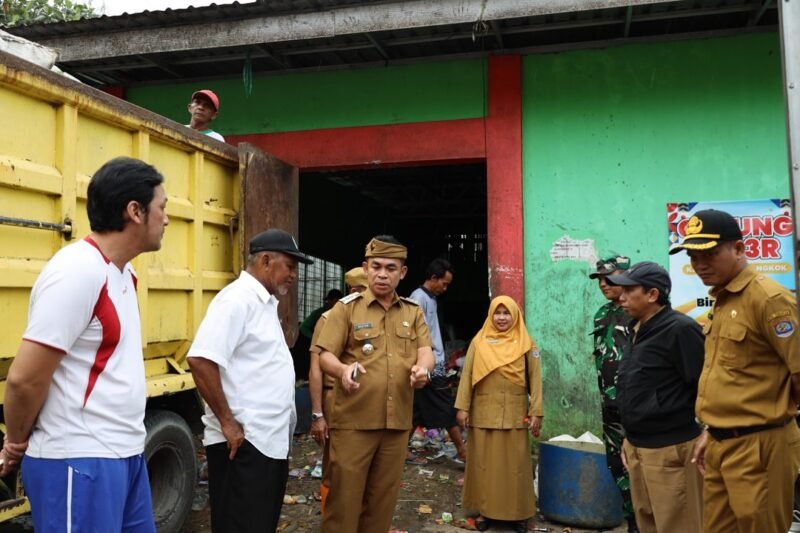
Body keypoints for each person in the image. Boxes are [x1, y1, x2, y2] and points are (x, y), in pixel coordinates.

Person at [1, 157, 169, 532]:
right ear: (135, 211)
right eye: (162, 207)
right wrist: (14, 443)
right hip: (78, 458)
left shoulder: (125, 274)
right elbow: (24, 379)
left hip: (124, 453)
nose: (167, 219)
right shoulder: (77, 271)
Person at [677, 209, 800, 533]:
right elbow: (730, 378)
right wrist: (713, 429)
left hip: (760, 446)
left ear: (740, 249)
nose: (700, 264)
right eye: (693, 255)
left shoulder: (769, 298)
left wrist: (772, 424)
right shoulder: (724, 299)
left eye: (710, 253)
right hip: (719, 442)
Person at [187, 228, 313, 533]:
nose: (294, 275)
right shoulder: (236, 301)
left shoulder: (263, 303)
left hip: (266, 442)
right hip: (243, 444)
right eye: (290, 266)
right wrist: (228, 423)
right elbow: (201, 360)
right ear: (266, 260)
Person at [317, 235, 434, 533]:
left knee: (382, 504)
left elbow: (425, 352)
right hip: (354, 423)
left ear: (402, 273)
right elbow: (325, 355)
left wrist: (423, 370)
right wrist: (343, 369)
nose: (383, 274)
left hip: (396, 426)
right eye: (377, 266)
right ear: (365, 268)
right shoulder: (346, 309)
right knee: (344, 503)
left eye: (391, 268)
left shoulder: (413, 311)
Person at [607, 261, 704, 533]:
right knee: (647, 522)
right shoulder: (637, 329)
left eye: (629, 291)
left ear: (652, 295)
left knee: (678, 524)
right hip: (638, 445)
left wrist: (709, 430)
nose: (621, 297)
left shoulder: (680, 330)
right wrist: (629, 436)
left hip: (670, 448)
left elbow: (704, 385)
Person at [455, 295, 543, 533]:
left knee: (516, 466)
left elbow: (535, 380)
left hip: (515, 412)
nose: (502, 318)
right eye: (497, 312)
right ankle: (485, 512)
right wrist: (463, 407)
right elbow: (467, 376)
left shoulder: (527, 343)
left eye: (506, 313)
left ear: (515, 316)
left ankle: (518, 515)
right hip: (483, 411)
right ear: (490, 315)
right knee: (484, 465)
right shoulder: (479, 342)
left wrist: (536, 411)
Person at [308, 267, 368, 513]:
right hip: (337, 399)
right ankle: (330, 518)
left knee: (366, 463)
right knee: (334, 464)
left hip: (368, 400)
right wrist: (318, 414)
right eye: (359, 291)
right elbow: (315, 370)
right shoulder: (328, 319)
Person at [589, 255, 638, 533]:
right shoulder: (602, 313)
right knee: (615, 464)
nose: (603, 284)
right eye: (599, 280)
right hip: (609, 405)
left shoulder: (639, 310)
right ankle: (632, 521)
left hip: (635, 405)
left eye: (609, 278)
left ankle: (647, 521)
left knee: (640, 465)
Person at [407, 258, 467, 464]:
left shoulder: (430, 299)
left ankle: (401, 451)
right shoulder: (418, 298)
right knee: (446, 407)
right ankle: (462, 451)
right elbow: (414, 333)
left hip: (434, 363)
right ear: (433, 278)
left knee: (416, 409)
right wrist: (424, 364)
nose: (445, 288)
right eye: (444, 283)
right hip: (428, 365)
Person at [294, 288, 344, 381]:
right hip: (308, 341)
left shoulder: (341, 313)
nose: (329, 302)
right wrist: (315, 338)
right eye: (330, 300)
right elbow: (303, 327)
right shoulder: (320, 313)